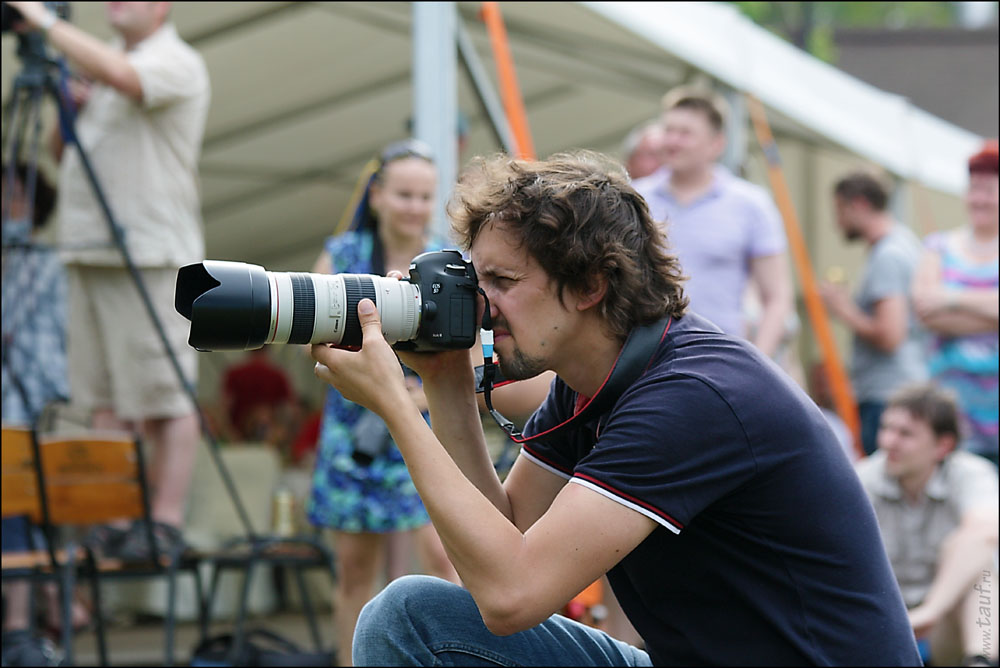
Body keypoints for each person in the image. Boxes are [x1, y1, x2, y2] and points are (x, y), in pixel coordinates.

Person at [312, 149, 921, 665]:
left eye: (502, 282)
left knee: (418, 614)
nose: (480, 305)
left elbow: (511, 596)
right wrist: (445, 382)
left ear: (589, 285)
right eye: (477, 280)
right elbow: (507, 533)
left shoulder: (690, 397)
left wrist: (397, 407)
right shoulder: (591, 379)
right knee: (411, 617)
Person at [7, 1, 211, 561]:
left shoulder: (174, 61)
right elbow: (59, 151)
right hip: (87, 248)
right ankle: (113, 520)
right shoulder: (100, 66)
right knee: (102, 398)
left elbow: (127, 77)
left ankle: (164, 521)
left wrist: (44, 21)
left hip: (147, 253)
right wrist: (70, 106)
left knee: (165, 393)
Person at [305, 139, 460, 666]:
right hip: (354, 430)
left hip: (418, 422)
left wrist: (415, 393)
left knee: (444, 558)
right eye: (403, 195)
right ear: (376, 196)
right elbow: (307, 338)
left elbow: (466, 356)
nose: (415, 207)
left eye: (424, 196)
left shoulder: (441, 263)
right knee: (354, 569)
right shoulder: (343, 255)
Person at [632, 85, 794, 360]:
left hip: (719, 359)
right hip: (645, 358)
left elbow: (777, 298)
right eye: (669, 130)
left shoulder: (751, 205)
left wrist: (756, 364)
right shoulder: (636, 199)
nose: (673, 141)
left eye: (685, 133)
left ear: (717, 144)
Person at [855, 383, 998, 666]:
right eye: (886, 428)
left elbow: (987, 531)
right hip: (882, 625)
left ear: (943, 445)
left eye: (905, 434)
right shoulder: (864, 478)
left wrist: (931, 610)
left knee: (981, 571)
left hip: (945, 626)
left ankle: (980, 661)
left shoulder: (970, 473)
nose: (888, 442)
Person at [1, 163, 73, 667]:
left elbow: (39, 341)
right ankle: (44, 611)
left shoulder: (44, 264)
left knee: (12, 503)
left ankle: (19, 626)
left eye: (16, 197)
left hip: (23, 402)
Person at [820, 172, 927, 455]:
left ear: (859, 204)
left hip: (885, 394)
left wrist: (842, 308)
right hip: (902, 386)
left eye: (840, 210)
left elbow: (890, 335)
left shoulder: (887, 256)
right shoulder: (904, 241)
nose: (837, 222)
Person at [912, 140, 999, 466]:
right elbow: (925, 310)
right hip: (952, 417)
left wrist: (950, 298)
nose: (979, 199)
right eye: (974, 188)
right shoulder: (938, 246)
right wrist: (990, 310)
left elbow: (938, 305)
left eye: (989, 190)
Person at [220, 346, 295, 444]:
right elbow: (288, 409)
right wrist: (281, 432)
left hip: (239, 436)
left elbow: (224, 407)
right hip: (270, 438)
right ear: (268, 350)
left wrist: (230, 433)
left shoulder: (235, 373)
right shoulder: (278, 375)